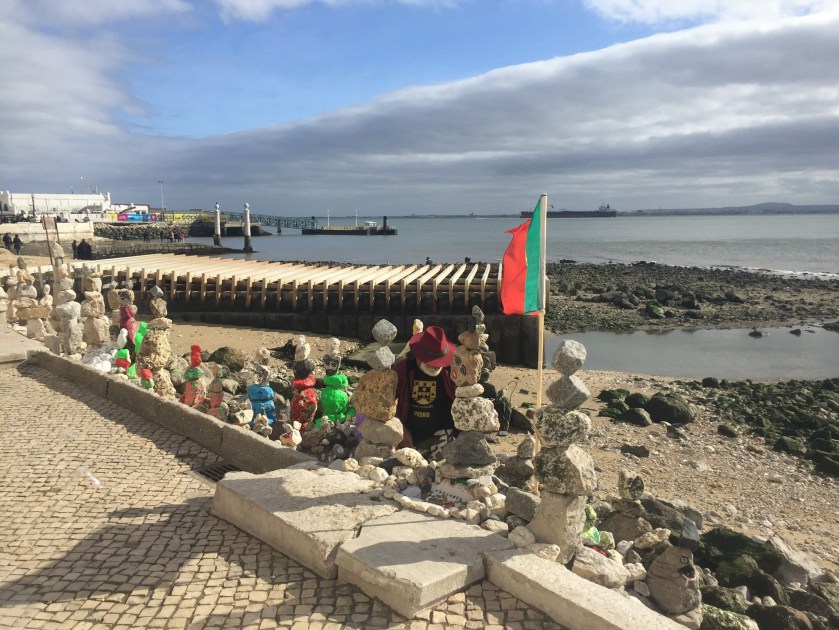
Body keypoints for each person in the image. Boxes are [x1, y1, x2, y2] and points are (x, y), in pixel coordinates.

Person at [393, 326, 457, 452]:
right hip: (409, 434)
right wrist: (400, 428)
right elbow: (386, 403)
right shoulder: (403, 369)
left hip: (443, 435)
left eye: (439, 360)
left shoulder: (451, 370)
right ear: (418, 354)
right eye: (431, 360)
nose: (435, 365)